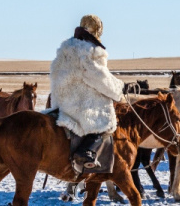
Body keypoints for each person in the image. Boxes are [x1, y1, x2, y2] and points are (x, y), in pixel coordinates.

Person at [49, 15, 125, 174]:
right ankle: (85, 153)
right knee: (105, 124)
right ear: (97, 31)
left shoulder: (66, 48)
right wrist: (119, 90)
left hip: (61, 102)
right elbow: (100, 78)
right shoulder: (90, 51)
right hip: (79, 105)